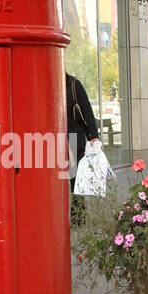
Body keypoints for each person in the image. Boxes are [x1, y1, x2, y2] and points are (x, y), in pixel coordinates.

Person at [66, 72, 98, 224]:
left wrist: (93, 135)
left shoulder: (73, 85)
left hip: (73, 137)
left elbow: (86, 110)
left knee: (74, 177)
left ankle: (78, 215)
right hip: (53, 138)